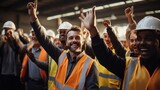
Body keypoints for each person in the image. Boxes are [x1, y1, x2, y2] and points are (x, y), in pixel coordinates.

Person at [80, 6, 160, 90]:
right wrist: (93, 30)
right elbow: (106, 57)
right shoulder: (130, 65)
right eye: (139, 38)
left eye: (148, 38)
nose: (142, 43)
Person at [27, 1, 99, 90]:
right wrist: (33, 17)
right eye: (71, 38)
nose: (74, 40)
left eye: (77, 38)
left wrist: (92, 30)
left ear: (83, 41)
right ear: (67, 40)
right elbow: (44, 40)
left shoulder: (90, 64)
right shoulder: (61, 56)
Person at [0, 21, 24, 90]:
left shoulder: (16, 40)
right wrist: (1, 42)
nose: (8, 32)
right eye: (6, 30)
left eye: (10, 30)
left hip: (15, 73)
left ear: (14, 31)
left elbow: (21, 50)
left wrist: (15, 40)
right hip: (4, 73)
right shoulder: (2, 40)